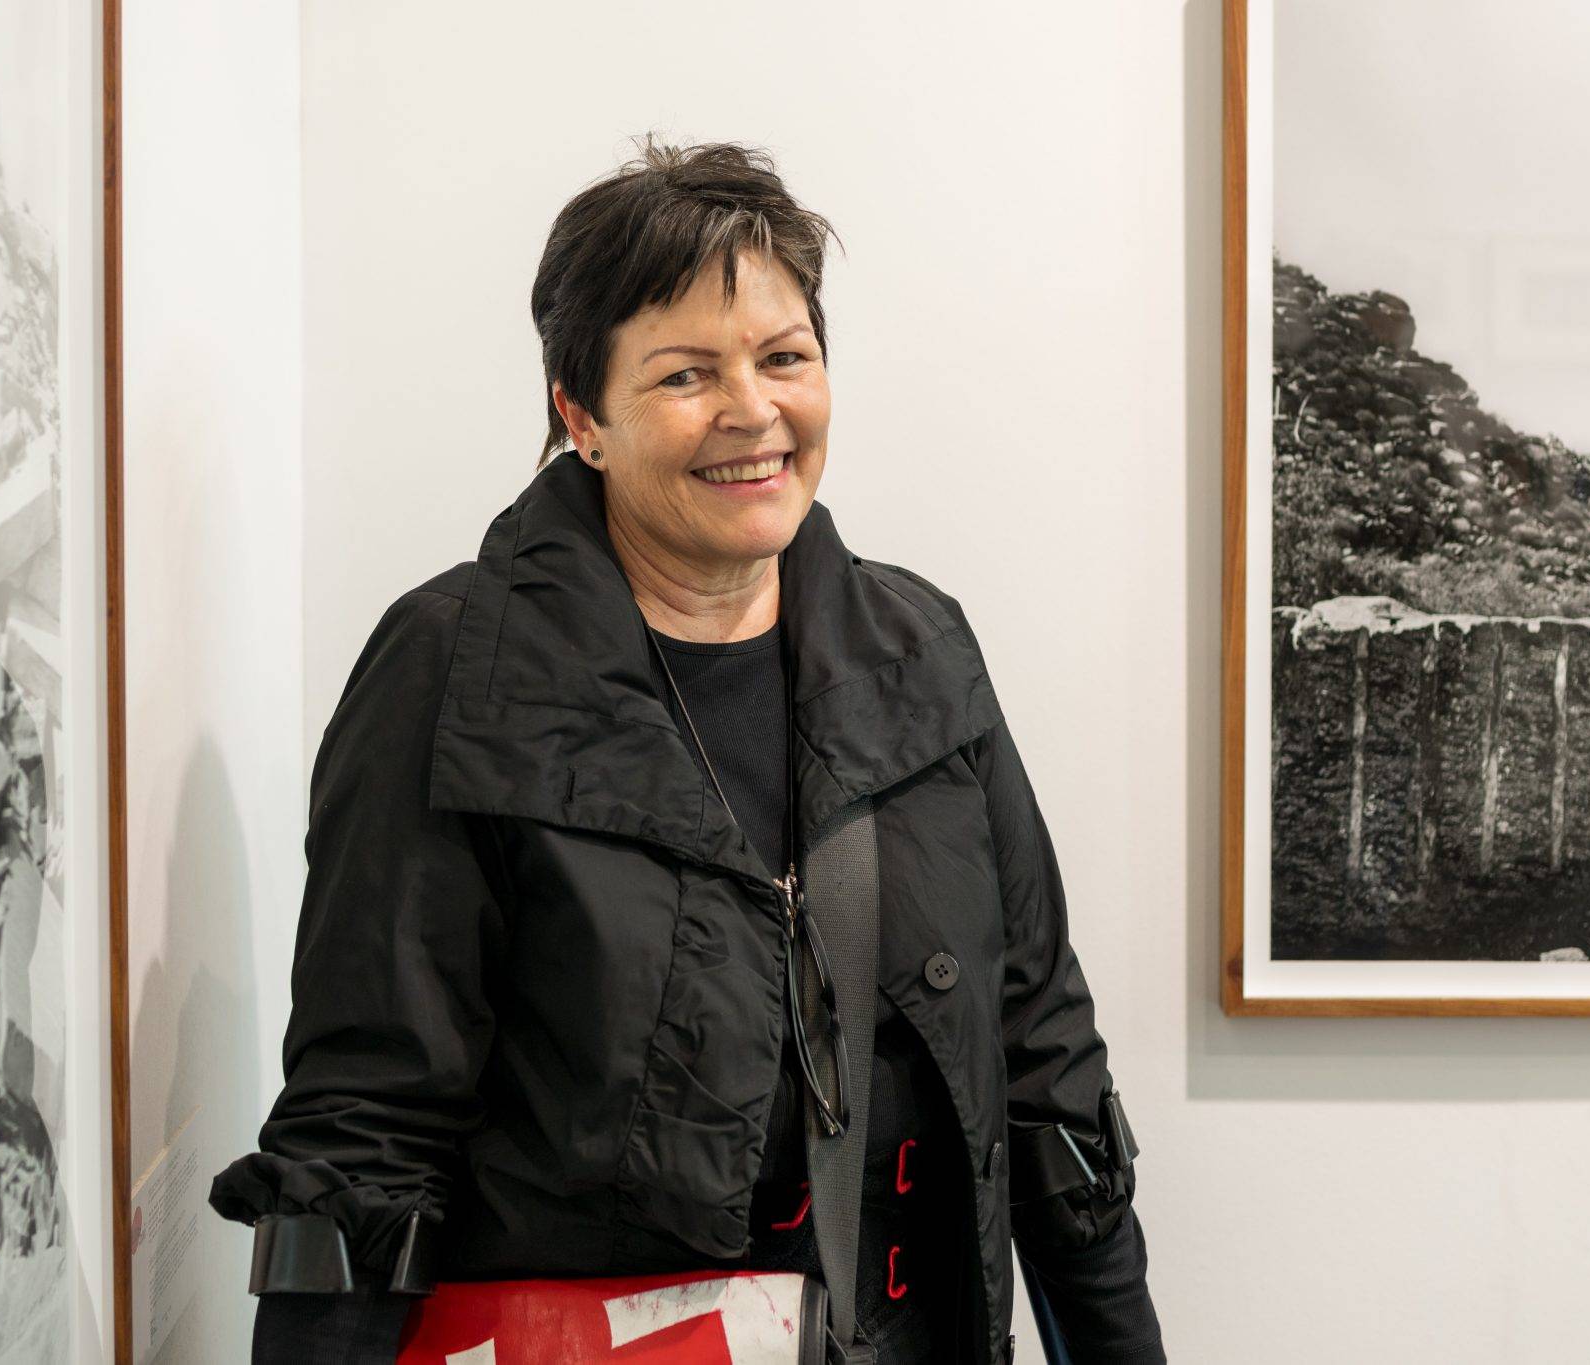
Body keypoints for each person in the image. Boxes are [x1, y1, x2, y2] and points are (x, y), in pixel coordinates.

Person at [209, 137, 1166, 1364]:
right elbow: (365, 1134)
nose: (752, 412)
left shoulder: (917, 647)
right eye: (682, 376)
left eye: (783, 358)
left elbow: (1045, 1069)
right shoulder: (456, 670)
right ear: (580, 416)